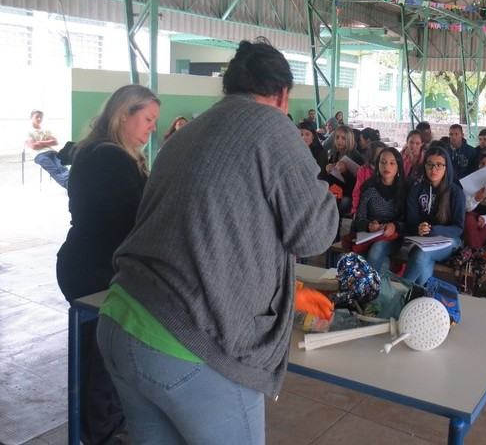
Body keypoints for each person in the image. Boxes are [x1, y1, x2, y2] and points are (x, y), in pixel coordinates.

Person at [96, 40, 338, 444]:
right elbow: (314, 232)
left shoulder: (190, 132)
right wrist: (324, 196)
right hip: (189, 342)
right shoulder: (272, 125)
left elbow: (214, 232)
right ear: (281, 94)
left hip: (122, 322)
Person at [57, 85, 161, 444]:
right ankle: (98, 432)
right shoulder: (111, 158)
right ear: (123, 114)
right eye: (147, 119)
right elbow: (134, 219)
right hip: (96, 268)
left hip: (85, 261)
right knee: (104, 357)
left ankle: (100, 426)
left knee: (102, 352)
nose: (151, 128)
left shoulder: (95, 151)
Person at [404, 146, 466, 285]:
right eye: (430, 165)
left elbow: (458, 228)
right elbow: (411, 221)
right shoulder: (416, 189)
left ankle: (402, 290)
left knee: (420, 255)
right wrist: (418, 228)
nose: (434, 170)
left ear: (446, 167)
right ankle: (424, 297)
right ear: (424, 166)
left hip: (450, 241)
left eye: (439, 165)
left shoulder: (455, 192)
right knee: (423, 258)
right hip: (422, 240)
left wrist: (434, 230)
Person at [355, 147, 407, 274]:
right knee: (383, 265)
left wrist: (394, 226)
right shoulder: (369, 187)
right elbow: (358, 220)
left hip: (394, 237)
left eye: (391, 163)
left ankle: (367, 290)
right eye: (383, 162)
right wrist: (369, 225)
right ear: (377, 165)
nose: (386, 166)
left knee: (377, 250)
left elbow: (409, 221)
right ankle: (374, 290)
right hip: (369, 236)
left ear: (398, 166)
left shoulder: (406, 188)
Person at [325, 125, 364, 215]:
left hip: (349, 193)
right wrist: (329, 170)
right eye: (337, 137)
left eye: (343, 138)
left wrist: (345, 172)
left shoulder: (356, 157)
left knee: (343, 203)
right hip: (335, 190)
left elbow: (357, 185)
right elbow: (332, 179)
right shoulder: (335, 153)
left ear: (349, 140)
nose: (339, 141)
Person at [25, 109, 70, 188]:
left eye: (41, 117)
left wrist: (40, 143)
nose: (39, 119)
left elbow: (55, 142)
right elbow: (33, 146)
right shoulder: (27, 131)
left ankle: (72, 183)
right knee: (54, 170)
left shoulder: (45, 130)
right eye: (37, 117)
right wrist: (47, 142)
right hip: (39, 155)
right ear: (31, 117)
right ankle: (69, 186)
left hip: (52, 152)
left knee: (62, 167)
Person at [351, 140, 386, 215]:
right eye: (378, 156)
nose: (382, 158)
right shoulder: (363, 170)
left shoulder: (388, 170)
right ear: (372, 155)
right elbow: (357, 192)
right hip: (366, 207)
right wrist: (355, 210)